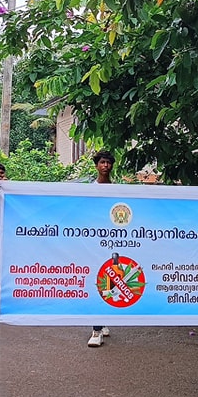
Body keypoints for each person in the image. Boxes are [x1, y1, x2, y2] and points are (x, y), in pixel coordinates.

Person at [87, 149, 115, 348]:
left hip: (113, 241)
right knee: (96, 281)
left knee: (110, 279)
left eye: (108, 163)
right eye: (102, 162)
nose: (105, 166)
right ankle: (96, 329)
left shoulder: (117, 190)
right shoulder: (89, 189)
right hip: (93, 242)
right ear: (97, 165)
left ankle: (104, 318)